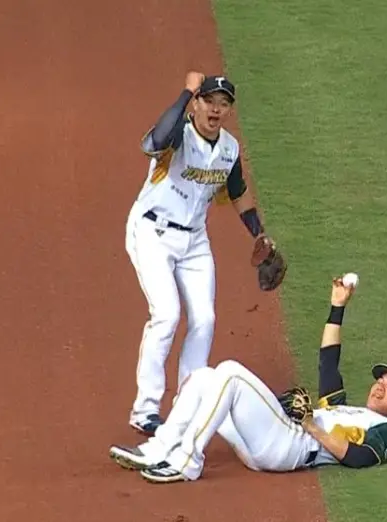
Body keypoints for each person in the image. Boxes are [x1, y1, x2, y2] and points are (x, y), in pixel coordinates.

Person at [108, 275, 387, 483]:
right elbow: (328, 362)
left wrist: (311, 425)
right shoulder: (342, 407)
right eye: (381, 380)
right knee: (203, 377)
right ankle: (158, 449)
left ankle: (187, 462)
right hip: (266, 444)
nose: (381, 386)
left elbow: (361, 458)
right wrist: (338, 306)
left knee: (230, 372)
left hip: (291, 447)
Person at [124, 72, 278, 436]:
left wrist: (259, 234)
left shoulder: (229, 149)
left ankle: (187, 406)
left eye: (224, 104)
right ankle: (145, 410)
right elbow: (155, 141)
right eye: (209, 101)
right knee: (166, 315)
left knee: (205, 320)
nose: (216, 110)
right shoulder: (178, 134)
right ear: (196, 103)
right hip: (152, 232)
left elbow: (238, 191)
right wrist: (186, 92)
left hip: (194, 241)